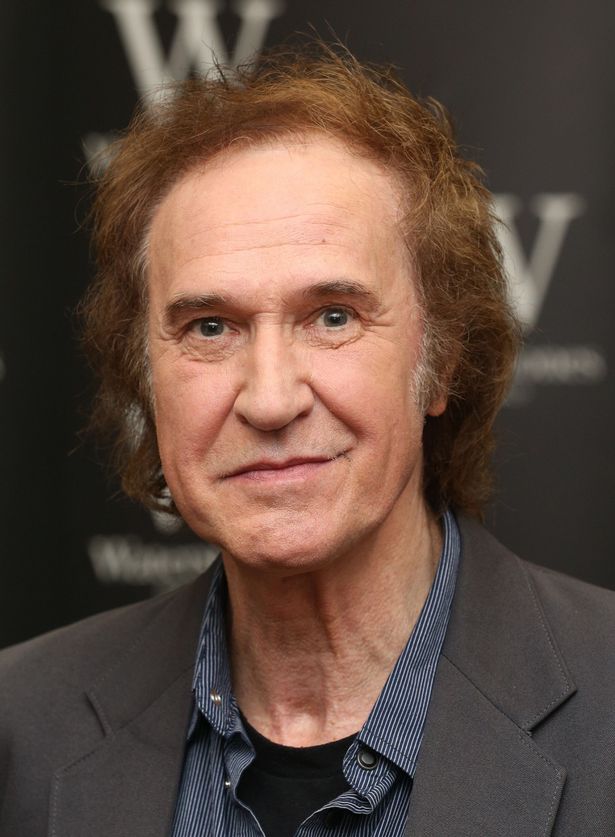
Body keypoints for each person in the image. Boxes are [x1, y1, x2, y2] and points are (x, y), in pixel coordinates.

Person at [1, 42, 614, 837]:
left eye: (332, 317)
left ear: (439, 362)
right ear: (143, 377)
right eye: (209, 326)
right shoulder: (22, 728)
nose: (270, 398)